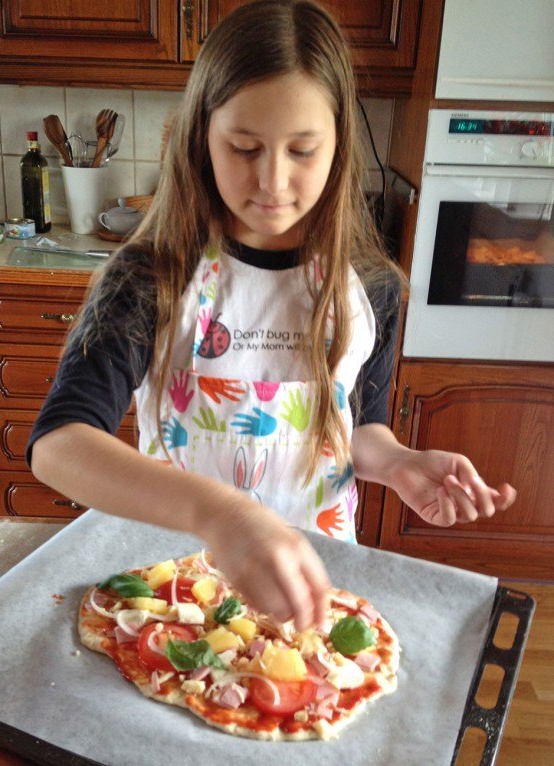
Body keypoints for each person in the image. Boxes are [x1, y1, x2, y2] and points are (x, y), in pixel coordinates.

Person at [28, 0, 516, 632]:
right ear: (202, 135)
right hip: (176, 593)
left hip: (315, 595)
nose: (272, 181)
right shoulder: (152, 277)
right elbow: (59, 445)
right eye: (245, 147)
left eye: (303, 151)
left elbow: (356, 427)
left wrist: (398, 463)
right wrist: (221, 515)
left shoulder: (368, 285)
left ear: (339, 146)